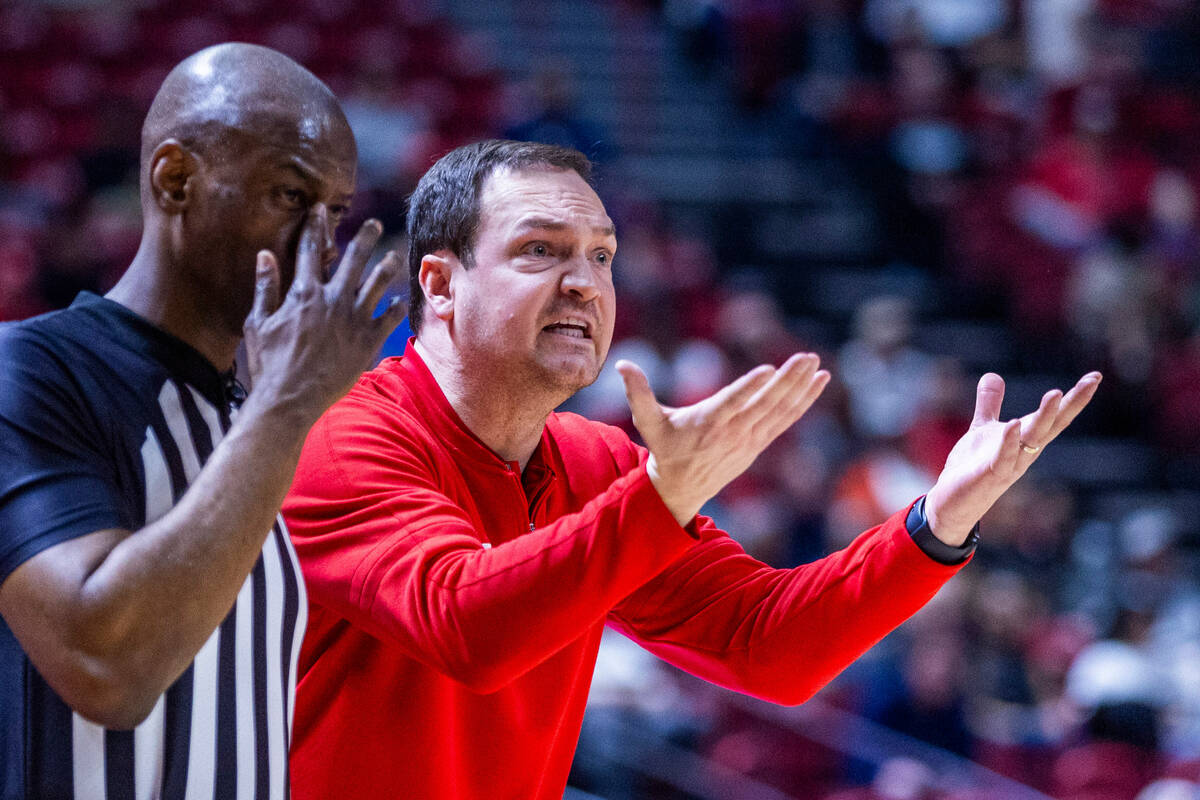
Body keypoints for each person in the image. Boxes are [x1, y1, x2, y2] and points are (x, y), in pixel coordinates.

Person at [282, 139, 1101, 800]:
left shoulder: (598, 463)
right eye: (541, 250)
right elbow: (467, 628)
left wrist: (938, 522)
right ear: (441, 283)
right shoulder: (342, 440)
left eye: (601, 256)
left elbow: (769, 647)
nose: (585, 282)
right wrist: (656, 498)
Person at [0, 43, 404, 798]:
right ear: (175, 179)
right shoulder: (30, 373)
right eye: (290, 197)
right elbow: (107, 668)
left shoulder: (259, 411)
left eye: (337, 212)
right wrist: (285, 407)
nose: (320, 245)